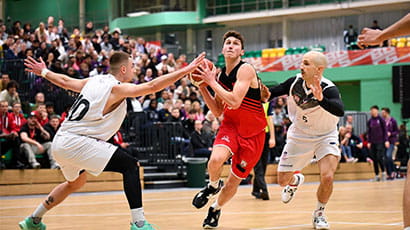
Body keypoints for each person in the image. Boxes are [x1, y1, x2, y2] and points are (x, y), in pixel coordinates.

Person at [20, 51, 205, 230]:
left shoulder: (93, 81)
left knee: (75, 183)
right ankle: (139, 224)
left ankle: (33, 219)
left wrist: (44, 71)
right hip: (78, 141)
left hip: (60, 141)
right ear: (123, 69)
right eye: (132, 66)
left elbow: (65, 81)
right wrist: (185, 70)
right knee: (131, 166)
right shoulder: (116, 88)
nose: (135, 70)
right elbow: (151, 87)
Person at [191, 31, 267, 229]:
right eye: (228, 43)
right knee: (215, 160)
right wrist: (202, 87)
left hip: (254, 134)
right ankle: (213, 186)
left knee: (233, 182)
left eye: (235, 43)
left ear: (242, 51)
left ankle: (215, 209)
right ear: (223, 49)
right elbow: (217, 110)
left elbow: (234, 100)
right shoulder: (220, 76)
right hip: (231, 126)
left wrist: (210, 81)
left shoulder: (246, 70)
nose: (231, 45)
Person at [262, 50, 344, 229]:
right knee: (282, 180)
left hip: (326, 135)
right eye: (301, 62)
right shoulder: (294, 82)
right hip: (300, 134)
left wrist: (321, 99)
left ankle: (319, 214)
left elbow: (339, 110)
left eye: (306, 63)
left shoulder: (329, 88)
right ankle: (295, 181)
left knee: (328, 176)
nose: (301, 66)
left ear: (319, 69)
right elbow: (272, 93)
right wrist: (260, 91)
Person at [357, 14, 410, 229]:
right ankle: (381, 174)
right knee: (379, 158)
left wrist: (382, 35)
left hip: (387, 141)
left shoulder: (390, 121)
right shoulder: (372, 121)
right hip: (376, 142)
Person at [252, 101, 275, 200]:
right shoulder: (249, 102)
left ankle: (255, 190)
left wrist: (272, 137)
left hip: (265, 136)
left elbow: (270, 120)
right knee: (258, 164)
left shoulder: (267, 103)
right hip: (253, 136)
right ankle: (264, 190)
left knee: (264, 163)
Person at [367, 105, 388, 181]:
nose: (372, 112)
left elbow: (385, 130)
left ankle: (383, 172)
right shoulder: (370, 121)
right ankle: (376, 175)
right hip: (373, 142)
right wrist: (369, 141)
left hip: (380, 142)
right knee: (374, 159)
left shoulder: (381, 120)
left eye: (373, 110)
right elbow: (369, 132)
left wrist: (386, 140)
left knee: (379, 157)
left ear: (377, 111)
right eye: (371, 111)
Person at [381, 107, 399, 179]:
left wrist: (391, 133)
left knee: (389, 156)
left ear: (387, 112)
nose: (382, 114)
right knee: (384, 158)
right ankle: (388, 173)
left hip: (391, 141)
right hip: (384, 141)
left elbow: (397, 131)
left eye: (383, 112)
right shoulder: (382, 121)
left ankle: (393, 171)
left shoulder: (393, 121)